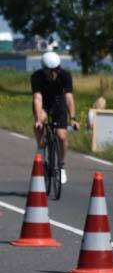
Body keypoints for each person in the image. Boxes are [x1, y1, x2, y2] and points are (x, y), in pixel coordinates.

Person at [31, 52, 79, 184]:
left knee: (62, 136)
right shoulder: (36, 77)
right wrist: (39, 120)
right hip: (44, 103)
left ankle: (61, 166)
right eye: (50, 71)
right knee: (39, 122)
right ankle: (40, 148)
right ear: (43, 69)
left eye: (56, 69)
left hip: (59, 104)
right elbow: (37, 98)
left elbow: (69, 97)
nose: (54, 73)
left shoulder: (65, 75)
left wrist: (73, 118)